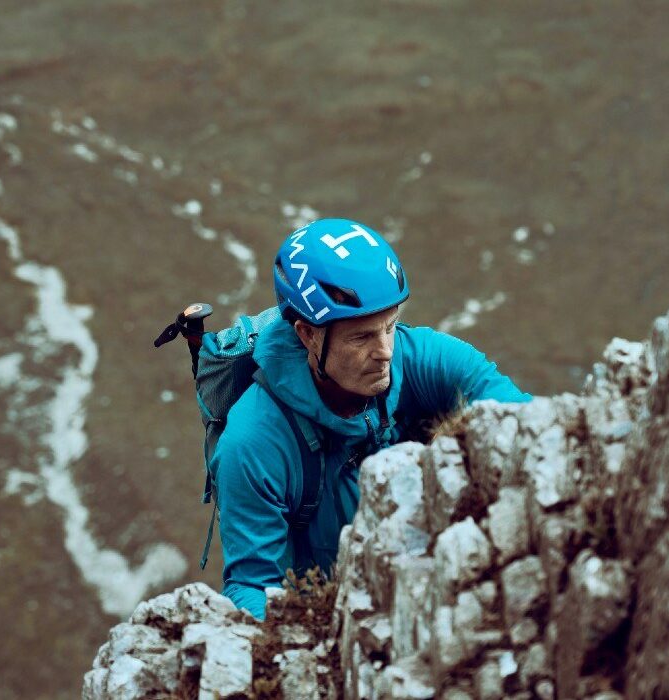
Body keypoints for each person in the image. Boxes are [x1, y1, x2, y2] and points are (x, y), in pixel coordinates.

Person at [210, 218, 531, 619]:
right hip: (332, 616)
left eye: (390, 326)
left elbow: (526, 422)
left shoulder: (424, 359)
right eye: (361, 337)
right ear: (308, 335)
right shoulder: (253, 443)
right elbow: (252, 584)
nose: (384, 353)